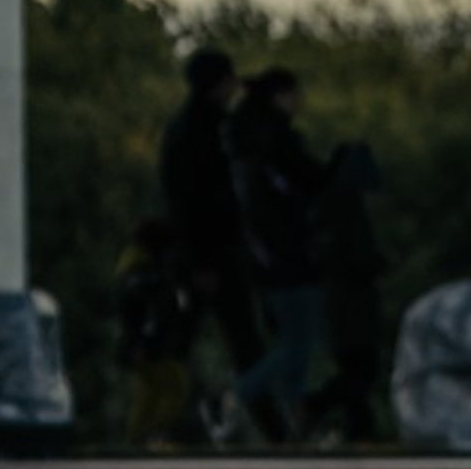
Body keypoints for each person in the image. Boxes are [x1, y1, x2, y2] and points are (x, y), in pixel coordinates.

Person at [157, 48, 258, 432]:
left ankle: (178, 418)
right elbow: (195, 200)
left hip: (204, 252)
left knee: (184, 341)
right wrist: (201, 260)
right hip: (212, 254)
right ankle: (265, 424)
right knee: (239, 341)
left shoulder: (190, 127)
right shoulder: (206, 130)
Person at [226, 68, 326, 444]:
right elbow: (300, 190)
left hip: (273, 257)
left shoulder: (250, 145)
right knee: (298, 342)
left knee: (296, 343)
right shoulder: (273, 147)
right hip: (286, 256)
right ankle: (242, 395)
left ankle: (294, 420)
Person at [305, 141, 385, 445]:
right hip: (349, 300)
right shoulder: (343, 204)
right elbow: (354, 254)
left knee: (357, 368)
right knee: (361, 367)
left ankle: (359, 426)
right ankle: (322, 407)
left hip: (341, 299)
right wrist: (374, 263)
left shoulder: (327, 202)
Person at [115, 219, 197, 449]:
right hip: (149, 346)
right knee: (176, 386)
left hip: (144, 344)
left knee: (149, 392)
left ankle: (139, 438)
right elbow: (149, 313)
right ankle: (150, 436)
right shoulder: (146, 276)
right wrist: (144, 341)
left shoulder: (137, 270)